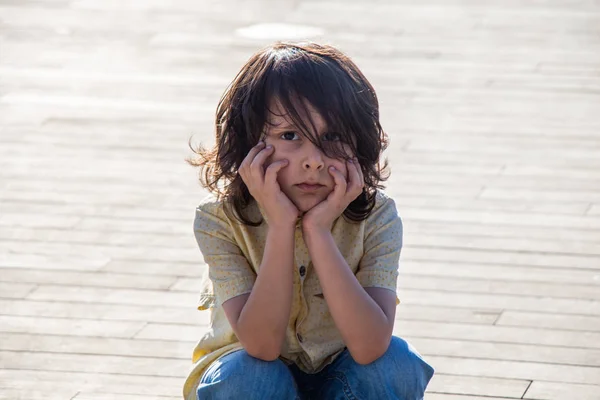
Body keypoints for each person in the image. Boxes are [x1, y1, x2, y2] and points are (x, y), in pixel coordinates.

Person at [183, 41, 434, 400]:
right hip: (258, 373)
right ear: (249, 144)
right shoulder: (219, 219)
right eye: (289, 136)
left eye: (332, 136)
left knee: (396, 362)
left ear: (358, 144)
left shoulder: (378, 215)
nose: (313, 160)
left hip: (344, 371)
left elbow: (370, 347)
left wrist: (318, 231)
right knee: (247, 376)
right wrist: (282, 226)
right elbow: (262, 345)